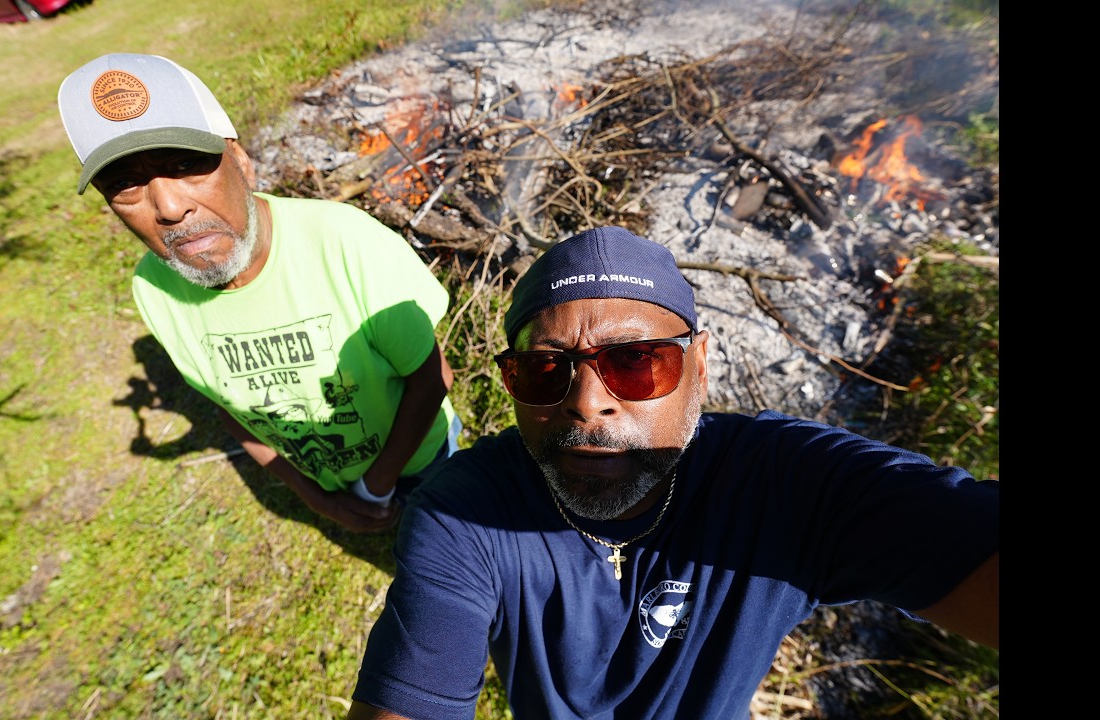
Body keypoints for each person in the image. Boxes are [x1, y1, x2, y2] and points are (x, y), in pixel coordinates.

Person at [345, 226, 998, 719]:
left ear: (701, 365)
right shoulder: (464, 508)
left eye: (635, 361)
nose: (587, 399)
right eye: (546, 368)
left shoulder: (784, 485)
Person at [57, 53, 461, 533]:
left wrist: (375, 486)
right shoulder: (153, 290)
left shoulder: (345, 243)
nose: (168, 207)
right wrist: (314, 496)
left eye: (187, 164)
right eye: (124, 186)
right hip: (332, 479)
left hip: (421, 461)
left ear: (241, 162)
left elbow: (432, 378)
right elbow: (228, 409)